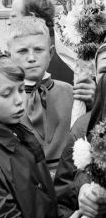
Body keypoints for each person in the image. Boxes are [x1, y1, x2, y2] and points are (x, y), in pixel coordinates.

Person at [0, 54, 101, 218]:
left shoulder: (19, 134)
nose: (19, 100)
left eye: (20, 90)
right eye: (6, 94)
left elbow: (45, 203)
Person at [7, 15, 95, 179]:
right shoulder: (4, 98)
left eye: (39, 50)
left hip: (68, 184)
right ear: (8, 55)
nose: (32, 58)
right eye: (22, 51)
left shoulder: (71, 92)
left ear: (51, 52)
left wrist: (93, 104)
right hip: (23, 184)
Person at [54, 43, 106, 218]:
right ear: (95, 76)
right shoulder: (83, 126)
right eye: (105, 71)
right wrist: (83, 190)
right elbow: (62, 194)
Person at [9, 0, 74, 85]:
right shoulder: (65, 46)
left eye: (14, 16)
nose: (9, 22)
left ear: (30, 17)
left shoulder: (54, 56)